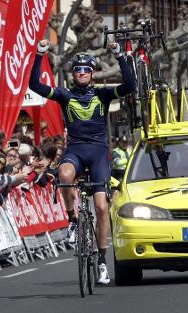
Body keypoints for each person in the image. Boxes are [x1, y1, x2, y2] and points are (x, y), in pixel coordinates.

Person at [29, 39, 136, 284]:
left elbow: (131, 84)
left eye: (87, 69)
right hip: (75, 149)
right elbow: (34, 84)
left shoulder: (103, 94)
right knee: (65, 176)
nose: (82, 73)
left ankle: (101, 261)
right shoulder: (65, 95)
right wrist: (39, 54)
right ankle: (72, 221)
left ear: (93, 73)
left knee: (100, 208)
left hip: (98, 152)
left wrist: (120, 56)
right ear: (73, 74)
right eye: (78, 69)